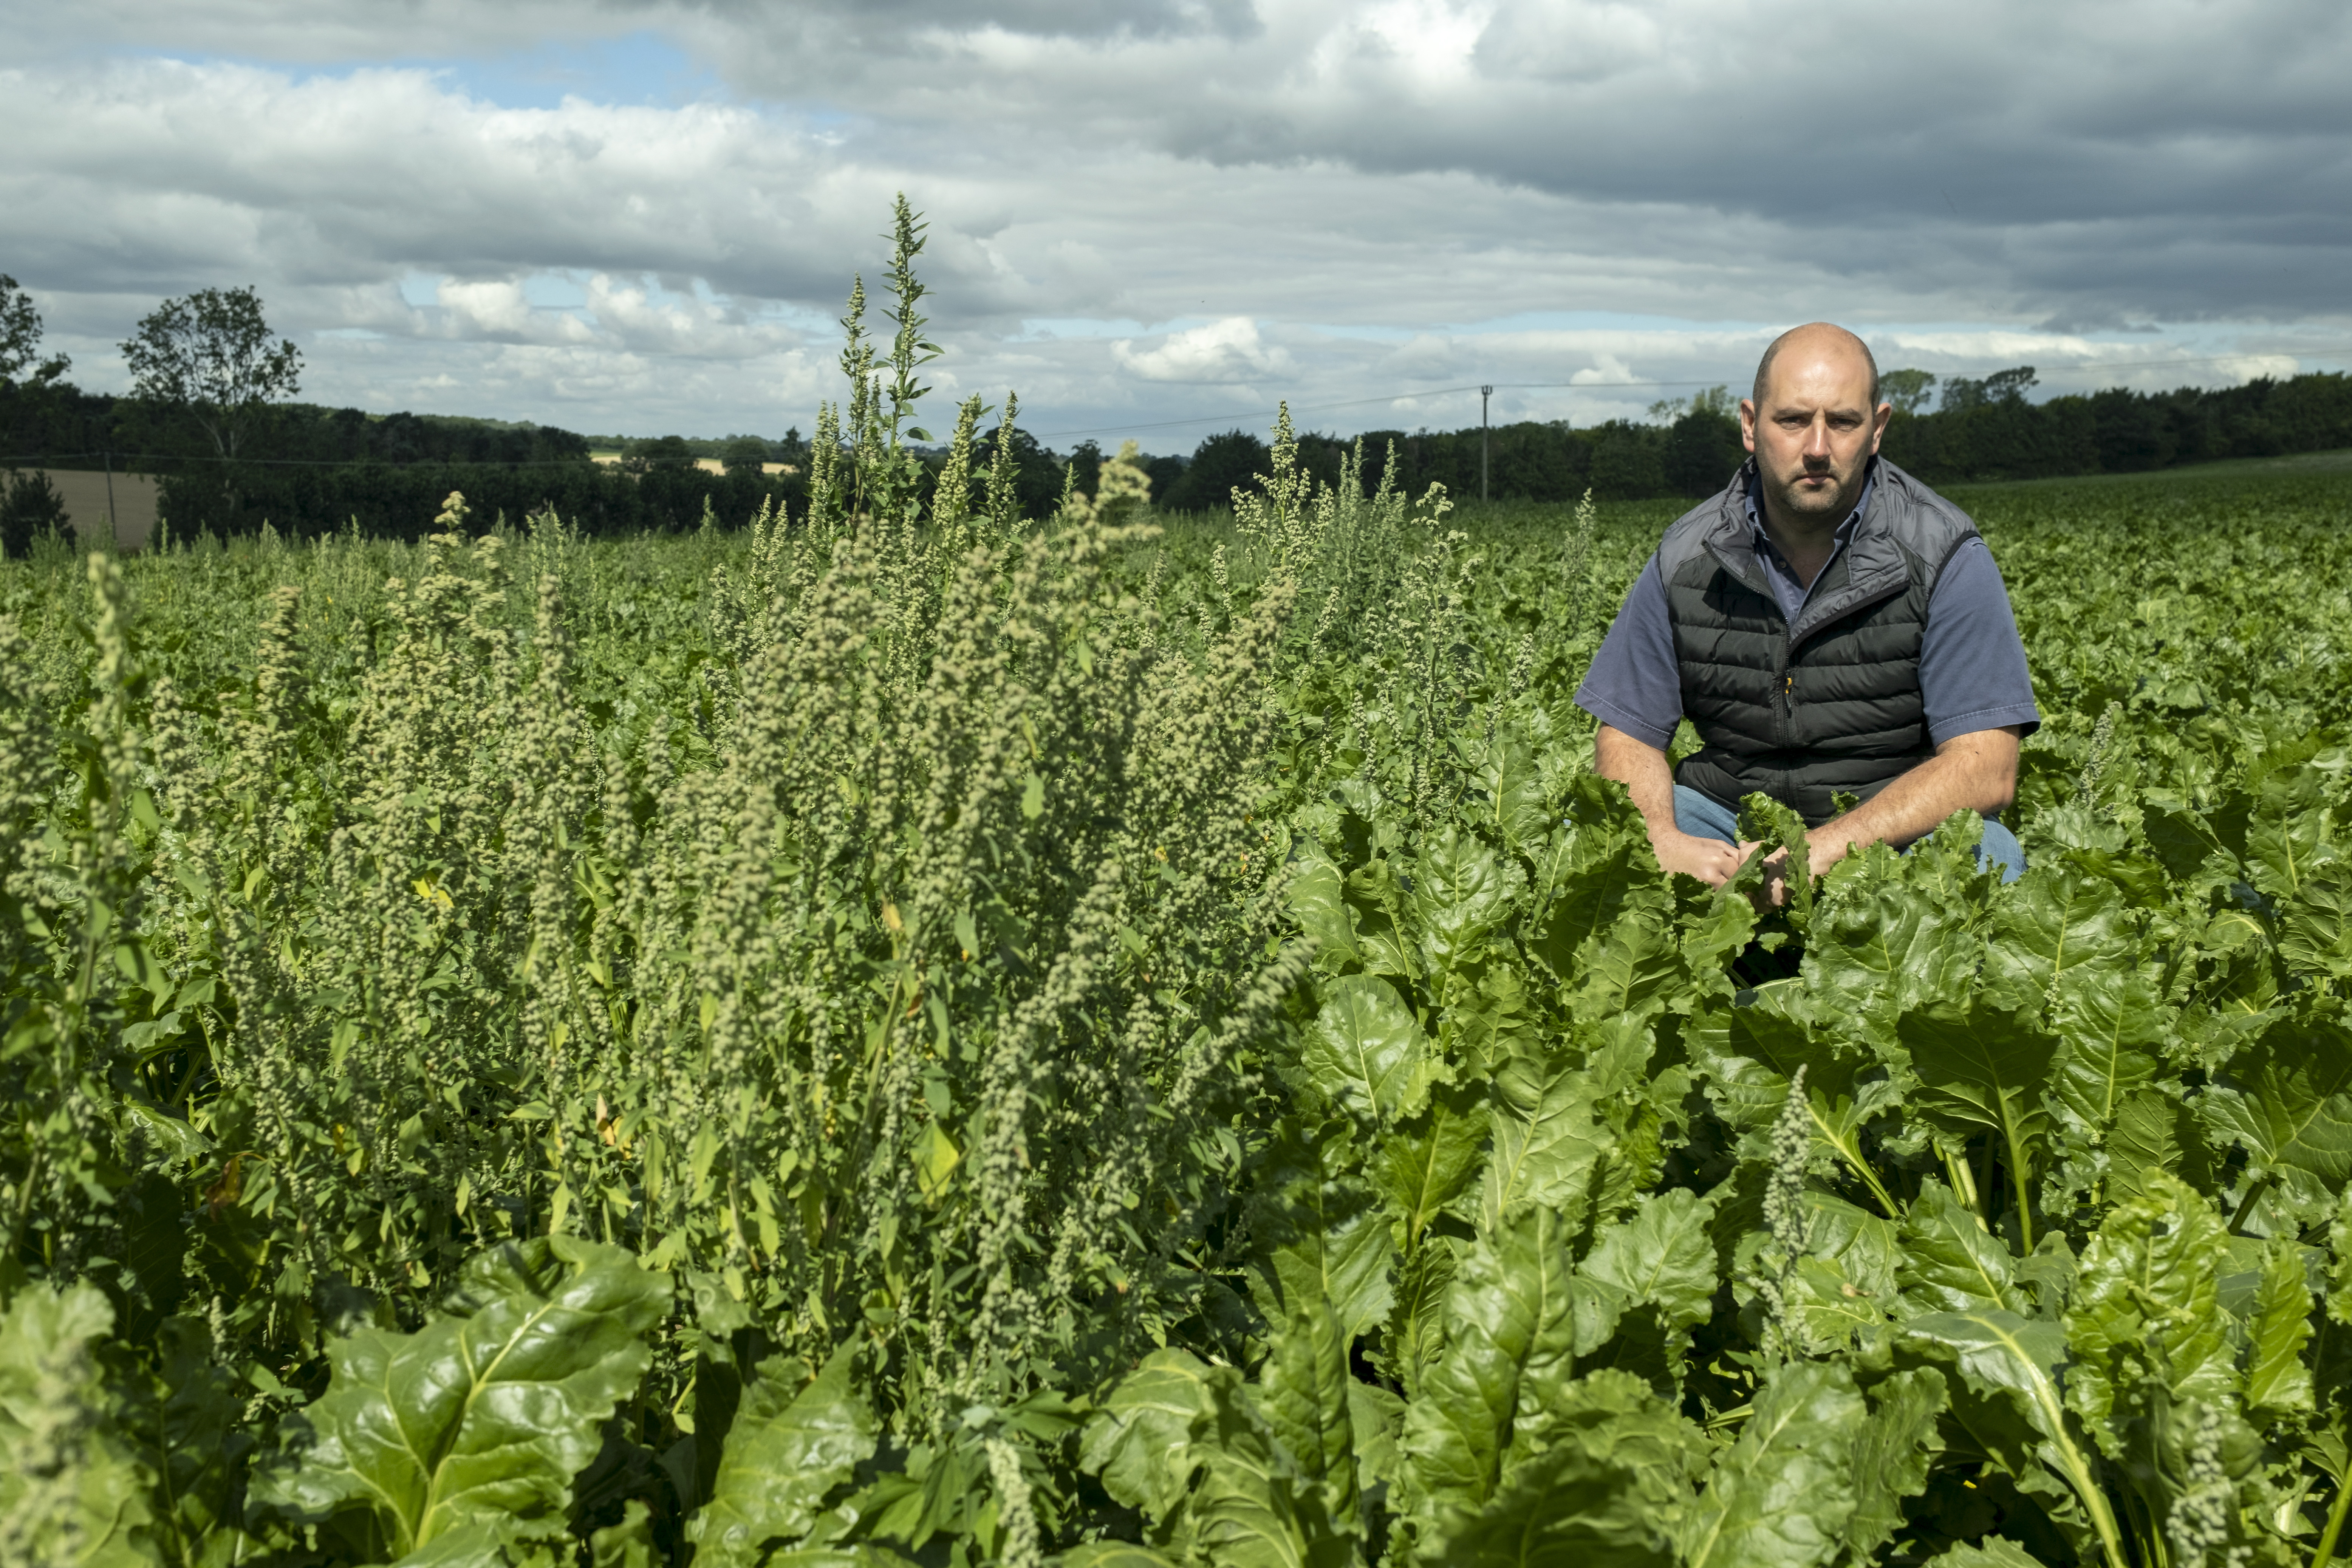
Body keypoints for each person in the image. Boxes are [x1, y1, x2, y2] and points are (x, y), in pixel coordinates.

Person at [1575, 322, 2038, 904]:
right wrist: (1660, 838)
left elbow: (1985, 766)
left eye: (1843, 422)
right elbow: (1627, 734)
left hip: (1885, 826)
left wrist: (1822, 850)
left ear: (1877, 429)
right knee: (1593, 844)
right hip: (1728, 817)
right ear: (1750, 425)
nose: (1817, 448)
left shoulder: (1944, 554)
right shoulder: (1686, 556)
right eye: (1792, 420)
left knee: (1988, 856)